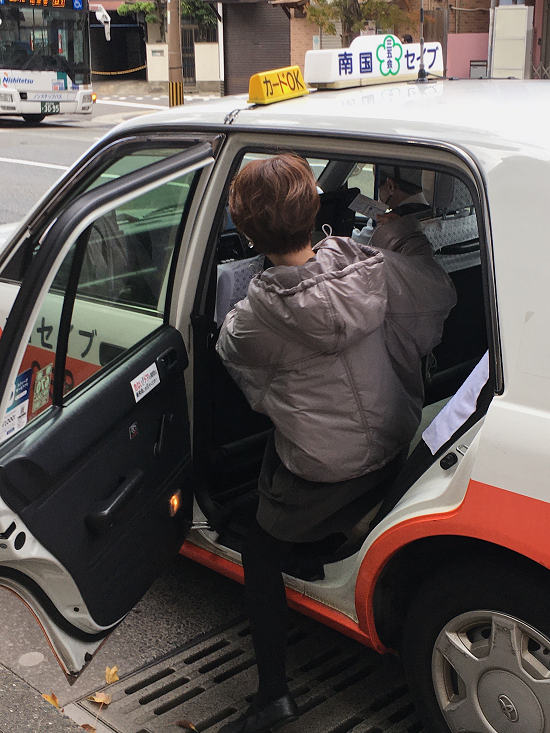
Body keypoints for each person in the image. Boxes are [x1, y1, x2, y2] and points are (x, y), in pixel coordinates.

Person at [216, 153, 456, 733]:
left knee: (259, 548)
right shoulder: (375, 266)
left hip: (324, 472)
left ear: (249, 235)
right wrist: (395, 229)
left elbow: (247, 381)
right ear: (314, 211)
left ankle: (273, 696)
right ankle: (327, 539)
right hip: (398, 441)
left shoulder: (250, 322)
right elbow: (437, 296)